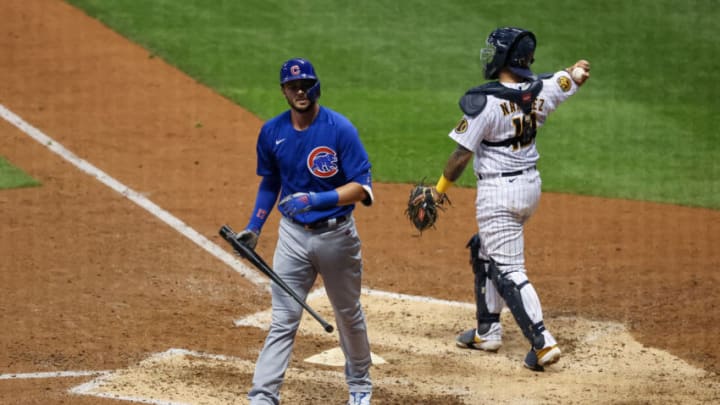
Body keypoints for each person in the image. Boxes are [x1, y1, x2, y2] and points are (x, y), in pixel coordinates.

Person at [431, 27, 590, 371]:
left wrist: (438, 190)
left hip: (499, 194)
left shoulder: (486, 103)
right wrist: (576, 72)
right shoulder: (543, 91)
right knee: (484, 249)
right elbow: (568, 79)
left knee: (509, 270)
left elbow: (461, 155)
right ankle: (488, 330)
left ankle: (543, 342)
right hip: (529, 188)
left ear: (504, 58)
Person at [236, 58, 374, 404]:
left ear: (316, 86)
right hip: (292, 237)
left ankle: (359, 387)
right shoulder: (272, 132)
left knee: (347, 313)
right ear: (283, 90)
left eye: (306, 84)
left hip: (336, 236)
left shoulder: (340, 129)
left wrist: (316, 199)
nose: (300, 91)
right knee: (283, 318)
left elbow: (362, 188)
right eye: (292, 86)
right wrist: (254, 227)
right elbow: (270, 181)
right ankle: (263, 396)